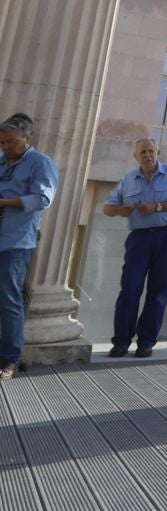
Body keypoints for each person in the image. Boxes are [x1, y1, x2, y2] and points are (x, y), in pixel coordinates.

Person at [102, 137, 167, 358]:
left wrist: (158, 206)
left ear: (157, 153)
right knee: (130, 288)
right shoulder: (128, 179)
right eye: (142, 152)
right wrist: (120, 210)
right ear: (136, 157)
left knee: (159, 290)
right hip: (139, 239)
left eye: (151, 151)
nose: (147, 155)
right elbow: (107, 207)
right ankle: (121, 342)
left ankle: (146, 342)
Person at [0, 112, 59, 378]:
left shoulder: (41, 163)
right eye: (2, 142)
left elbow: (42, 199)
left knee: (10, 299)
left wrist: (5, 202)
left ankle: (9, 359)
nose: (6, 147)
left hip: (15, 241)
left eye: (11, 142)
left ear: (29, 137)